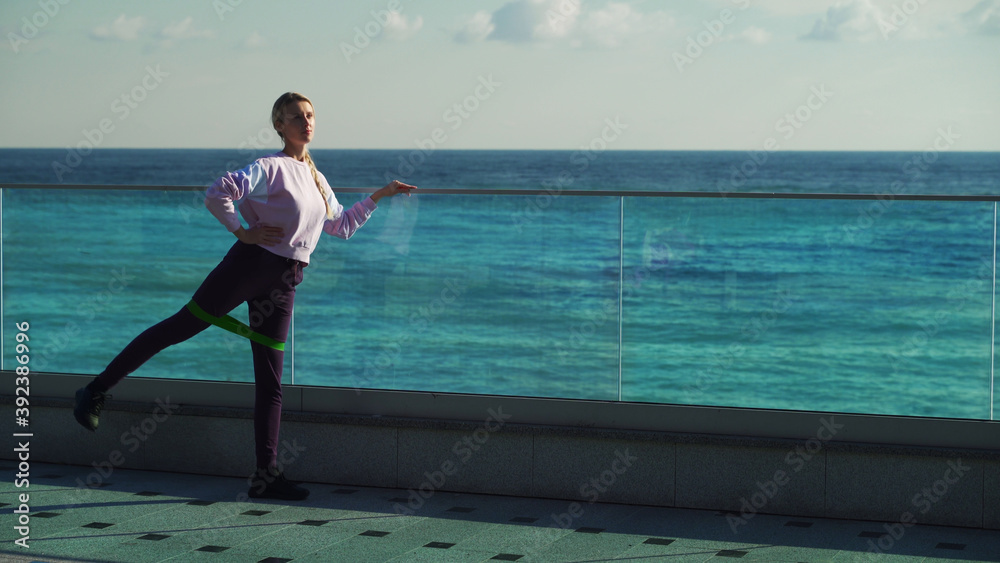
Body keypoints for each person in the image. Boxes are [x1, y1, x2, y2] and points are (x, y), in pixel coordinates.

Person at [73, 92, 416, 501]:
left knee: (271, 381)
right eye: (295, 117)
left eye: (309, 115)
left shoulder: (316, 178)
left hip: (286, 279)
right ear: (279, 125)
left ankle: (265, 476)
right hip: (249, 265)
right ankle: (95, 390)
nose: (305, 122)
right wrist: (242, 232)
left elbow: (340, 226)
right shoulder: (270, 167)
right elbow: (219, 191)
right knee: (179, 328)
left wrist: (379, 196)